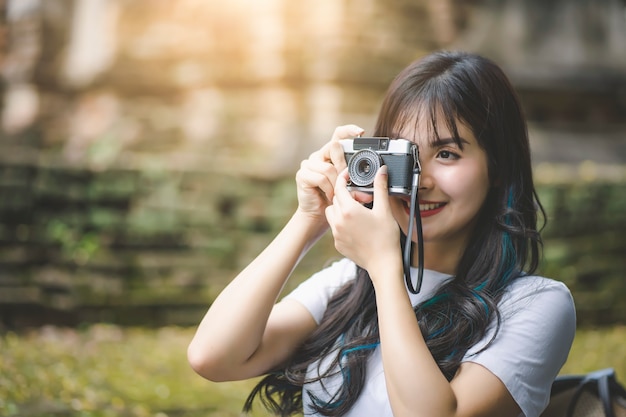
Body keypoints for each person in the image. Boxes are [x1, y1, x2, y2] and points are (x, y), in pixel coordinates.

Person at [187, 50, 576, 417]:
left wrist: (385, 264)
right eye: (405, 155)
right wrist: (309, 220)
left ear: (499, 168)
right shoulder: (349, 282)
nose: (419, 181)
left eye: (447, 154)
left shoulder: (536, 304)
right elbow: (213, 356)